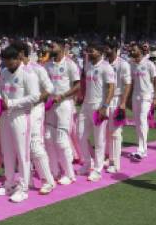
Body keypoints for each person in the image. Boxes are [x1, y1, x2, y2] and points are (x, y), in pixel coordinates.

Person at [0, 45, 40, 203]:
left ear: (18, 59)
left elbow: (35, 97)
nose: (7, 64)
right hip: (6, 116)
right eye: (5, 61)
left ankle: (23, 187)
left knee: (22, 153)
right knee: (7, 152)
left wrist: (12, 103)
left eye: (10, 61)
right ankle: (9, 184)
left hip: (21, 116)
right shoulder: (5, 72)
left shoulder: (28, 74)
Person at [13, 41, 57, 194]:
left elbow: (50, 88)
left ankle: (48, 181)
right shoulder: (14, 69)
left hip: (35, 110)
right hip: (19, 111)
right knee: (21, 146)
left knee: (34, 145)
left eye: (14, 52)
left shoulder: (37, 69)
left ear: (21, 53)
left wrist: (36, 100)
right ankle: (27, 180)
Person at [44, 39, 81, 185]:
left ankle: (70, 174)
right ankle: (54, 171)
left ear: (62, 47)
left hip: (64, 104)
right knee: (48, 138)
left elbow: (77, 85)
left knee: (61, 139)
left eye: (52, 45)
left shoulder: (70, 64)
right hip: (51, 104)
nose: (50, 48)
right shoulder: (47, 65)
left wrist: (63, 95)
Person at [76, 42, 115, 182]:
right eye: (87, 51)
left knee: (99, 140)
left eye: (91, 51)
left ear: (99, 52)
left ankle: (97, 170)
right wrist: (81, 96)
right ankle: (87, 163)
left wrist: (105, 106)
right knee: (80, 134)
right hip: (86, 105)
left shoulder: (106, 67)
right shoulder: (88, 65)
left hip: (99, 106)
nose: (88, 53)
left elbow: (111, 88)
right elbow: (85, 84)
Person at [104, 40, 131, 173]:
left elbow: (127, 84)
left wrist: (123, 102)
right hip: (104, 100)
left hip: (116, 99)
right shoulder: (103, 63)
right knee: (105, 132)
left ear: (115, 49)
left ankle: (115, 163)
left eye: (108, 48)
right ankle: (109, 157)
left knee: (115, 132)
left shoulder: (123, 64)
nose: (106, 50)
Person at [129, 45, 156, 160]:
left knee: (142, 119)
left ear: (140, 51)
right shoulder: (132, 65)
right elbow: (131, 82)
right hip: (135, 96)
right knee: (138, 122)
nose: (132, 51)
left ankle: (141, 150)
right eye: (131, 50)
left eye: (134, 50)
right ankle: (142, 148)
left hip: (147, 95)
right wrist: (128, 98)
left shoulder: (149, 64)